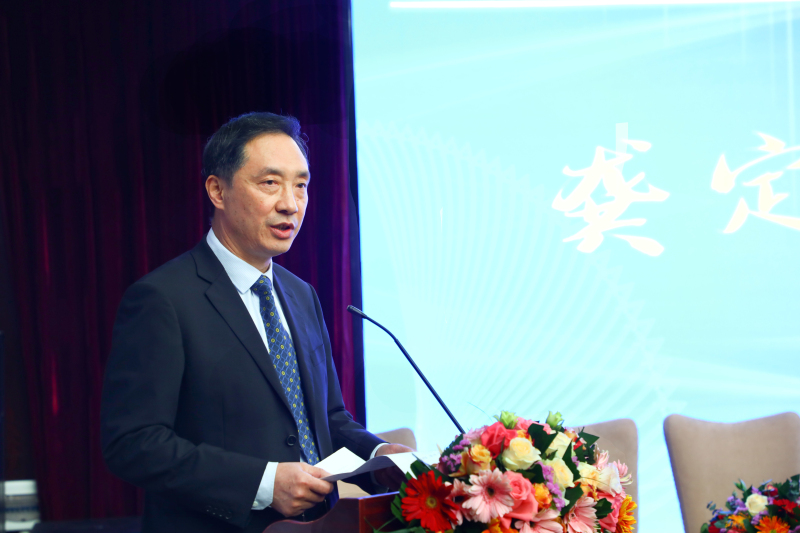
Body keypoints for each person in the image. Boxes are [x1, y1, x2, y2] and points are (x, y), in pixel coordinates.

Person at [101, 112, 411, 533]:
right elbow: (133, 443)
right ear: (218, 190)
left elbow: (328, 418)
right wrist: (263, 484)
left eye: (300, 185)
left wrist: (378, 456)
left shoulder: (301, 294)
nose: (290, 203)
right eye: (270, 183)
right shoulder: (163, 299)